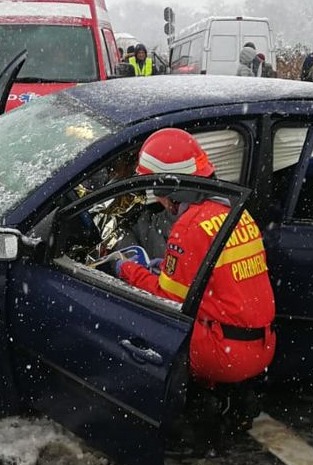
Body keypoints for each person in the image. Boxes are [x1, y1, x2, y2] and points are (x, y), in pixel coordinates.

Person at [113, 128, 276, 447]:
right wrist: (167, 267)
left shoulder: (188, 227)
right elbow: (215, 279)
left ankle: (191, 413)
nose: (158, 201)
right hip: (261, 344)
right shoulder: (235, 213)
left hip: (223, 354)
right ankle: (232, 399)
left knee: (141, 325)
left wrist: (126, 270)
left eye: (157, 191)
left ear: (171, 189)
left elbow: (166, 300)